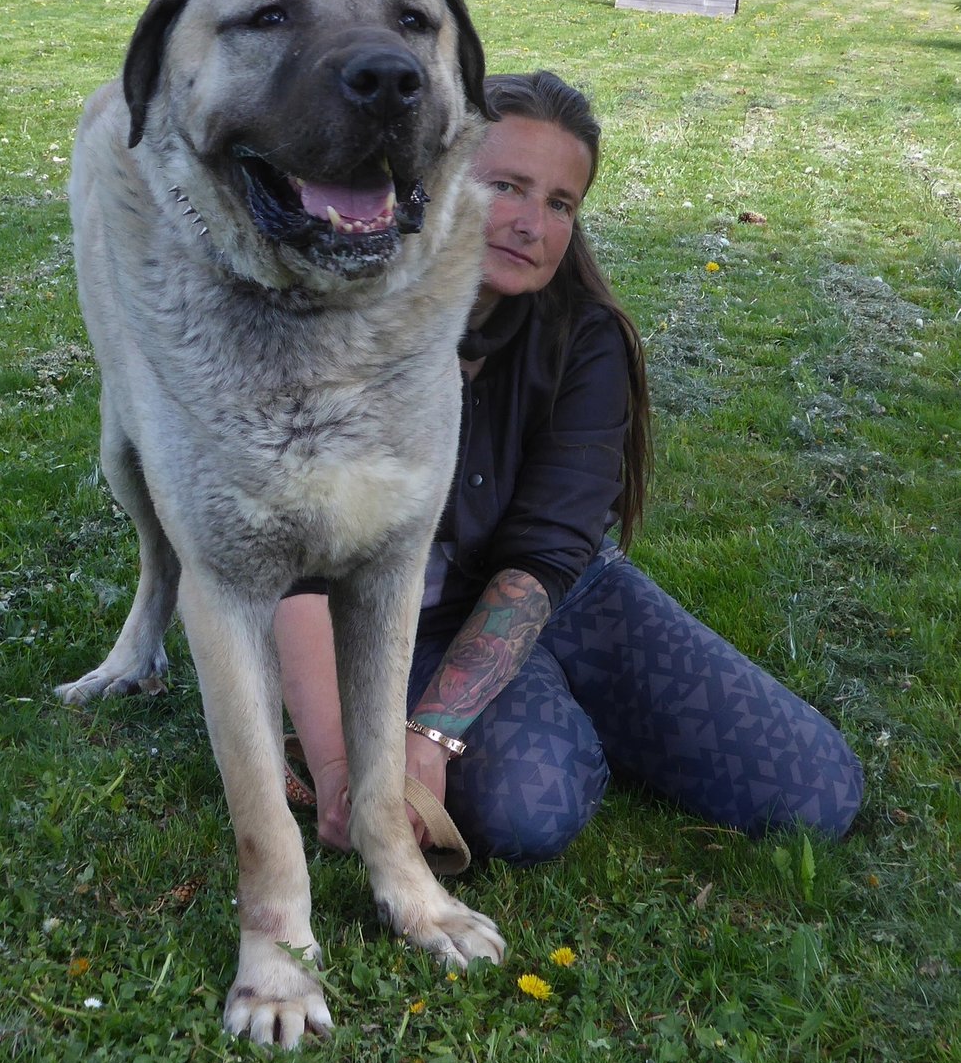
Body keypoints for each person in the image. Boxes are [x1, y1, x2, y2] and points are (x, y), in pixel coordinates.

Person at [277, 70, 863, 864]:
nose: (533, 224)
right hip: (398, 618)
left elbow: (551, 554)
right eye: (507, 187)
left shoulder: (585, 337)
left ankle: (551, 696)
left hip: (564, 590)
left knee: (816, 793)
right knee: (529, 809)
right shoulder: (333, 332)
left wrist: (433, 735)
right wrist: (341, 765)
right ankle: (544, 715)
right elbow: (299, 577)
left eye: (560, 203)